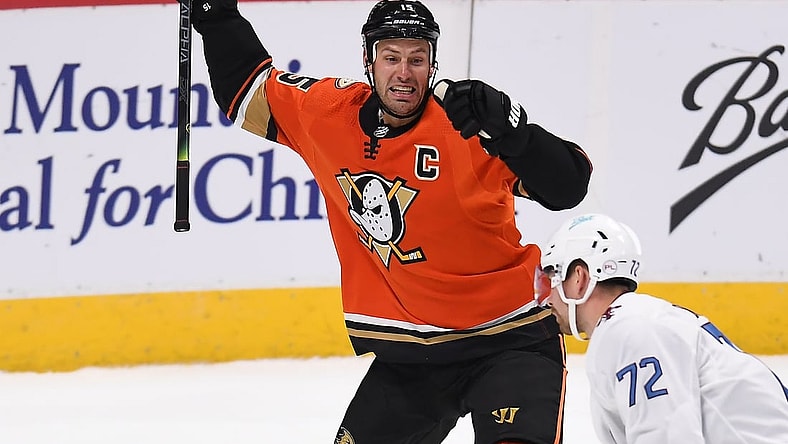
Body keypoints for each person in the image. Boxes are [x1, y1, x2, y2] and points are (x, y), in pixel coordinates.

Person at [190, 0, 592, 442]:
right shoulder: (329, 113)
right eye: (392, 57)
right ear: (368, 60)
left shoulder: (467, 123)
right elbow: (245, 88)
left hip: (511, 340)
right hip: (411, 357)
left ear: (433, 62)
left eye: (417, 59)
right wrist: (215, 12)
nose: (405, 72)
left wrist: (519, 135)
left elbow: (568, 187)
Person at [536, 213, 788, 444]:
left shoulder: (629, 330)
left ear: (579, 277)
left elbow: (666, 438)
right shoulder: (635, 321)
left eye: (552, 278)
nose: (548, 298)